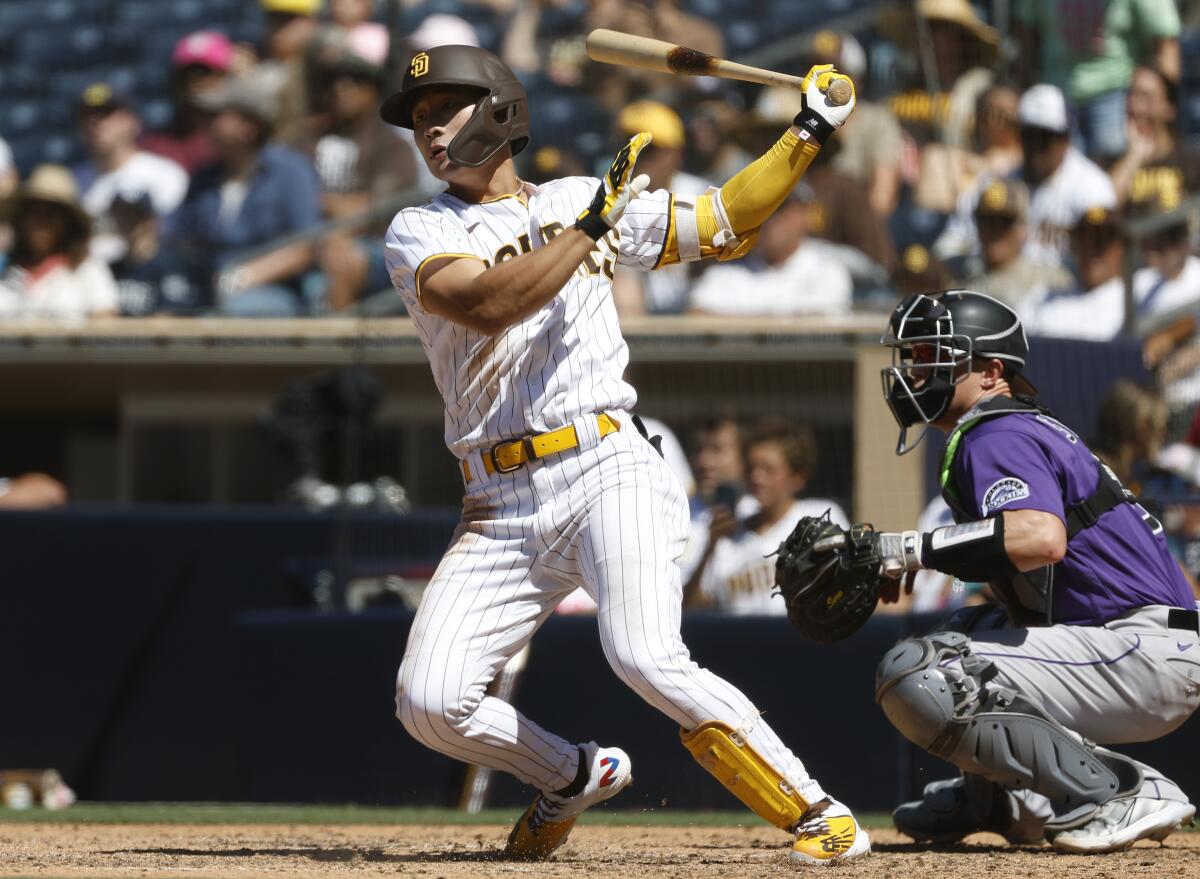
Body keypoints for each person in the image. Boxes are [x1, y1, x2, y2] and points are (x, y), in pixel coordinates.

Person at [381, 45, 870, 863]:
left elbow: (723, 225)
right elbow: (491, 301)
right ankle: (573, 774)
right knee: (427, 701)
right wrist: (593, 227)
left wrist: (809, 130)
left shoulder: (581, 198)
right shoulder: (421, 228)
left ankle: (816, 808)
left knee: (643, 652)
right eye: (421, 119)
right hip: (498, 503)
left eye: (447, 110)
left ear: (500, 109)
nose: (430, 130)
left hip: (608, 462)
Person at [850, 289, 1199, 852]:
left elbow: (1041, 538)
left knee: (927, 671)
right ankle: (1005, 799)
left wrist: (912, 549)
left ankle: (1126, 790)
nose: (915, 371)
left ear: (991, 371)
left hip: (1141, 648)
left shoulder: (995, 432)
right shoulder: (1010, 428)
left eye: (932, 355)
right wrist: (928, 556)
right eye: (913, 357)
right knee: (964, 633)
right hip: (1140, 644)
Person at [166, 77, 321, 316]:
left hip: (274, 292)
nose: (205, 124)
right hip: (205, 290)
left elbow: (305, 247)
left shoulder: (290, 171)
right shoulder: (203, 178)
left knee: (231, 312)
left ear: (248, 126)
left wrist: (244, 277)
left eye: (216, 116)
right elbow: (180, 237)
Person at [295, 30, 417, 311]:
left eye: (355, 79)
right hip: (303, 241)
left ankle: (334, 351)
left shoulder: (390, 144)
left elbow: (373, 211)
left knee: (341, 255)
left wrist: (315, 201)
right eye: (334, 80)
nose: (342, 88)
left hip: (373, 248)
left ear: (374, 88)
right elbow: (283, 197)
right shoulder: (306, 137)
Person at [936, 84, 1117, 271]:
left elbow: (1103, 260)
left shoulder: (1092, 187)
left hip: (1065, 290)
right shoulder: (999, 185)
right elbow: (952, 242)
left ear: (1065, 139)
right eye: (1029, 135)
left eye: (1046, 137)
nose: (1036, 145)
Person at [683, 418, 849, 614]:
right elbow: (689, 610)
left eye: (768, 470)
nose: (756, 477)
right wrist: (710, 547)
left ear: (797, 477)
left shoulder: (819, 517)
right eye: (751, 468)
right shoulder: (727, 538)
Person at [1015, 0, 1181, 161]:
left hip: (1116, 96)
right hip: (1057, 99)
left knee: (1112, 169)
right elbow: (1026, 39)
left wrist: (1161, 110)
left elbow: (1166, 49)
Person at [607, 101, 712, 316]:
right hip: (633, 312)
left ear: (676, 154)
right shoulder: (607, 199)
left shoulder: (700, 195)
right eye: (625, 147)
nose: (633, 158)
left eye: (647, 150)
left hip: (696, 304)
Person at [688, 185, 852, 316]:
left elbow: (822, 322)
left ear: (805, 215)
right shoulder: (725, 273)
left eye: (782, 207)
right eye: (763, 208)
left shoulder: (827, 270)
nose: (771, 217)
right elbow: (697, 315)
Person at [73, 83, 189, 264]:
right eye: (86, 115)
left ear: (132, 121)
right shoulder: (73, 181)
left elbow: (166, 237)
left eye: (105, 113)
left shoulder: (165, 175)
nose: (94, 122)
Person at [0, 164, 117, 319]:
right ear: (22, 219)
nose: (41, 222)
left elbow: (106, 326)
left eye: (51, 213)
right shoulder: (6, 273)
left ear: (67, 222)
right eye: (34, 212)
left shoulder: (88, 271)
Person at [1021, 206, 1127, 341]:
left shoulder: (1137, 298)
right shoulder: (1043, 297)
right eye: (1084, 241)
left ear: (1121, 248)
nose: (1091, 249)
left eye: (1101, 242)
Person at [964, 178, 1071, 311]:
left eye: (1004, 223)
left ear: (1023, 228)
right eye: (986, 221)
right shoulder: (957, 273)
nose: (994, 231)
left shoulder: (1051, 282)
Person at [141, 31, 235, 174]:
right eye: (185, 74)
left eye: (204, 72)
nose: (193, 80)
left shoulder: (240, 134)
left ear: (226, 76)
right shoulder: (158, 144)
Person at [1109, 65, 1200, 211]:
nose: (1135, 105)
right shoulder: (1112, 164)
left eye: (1146, 97)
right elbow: (1104, 209)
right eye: (1132, 95)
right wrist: (1133, 157)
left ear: (1170, 109)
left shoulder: (1191, 162)